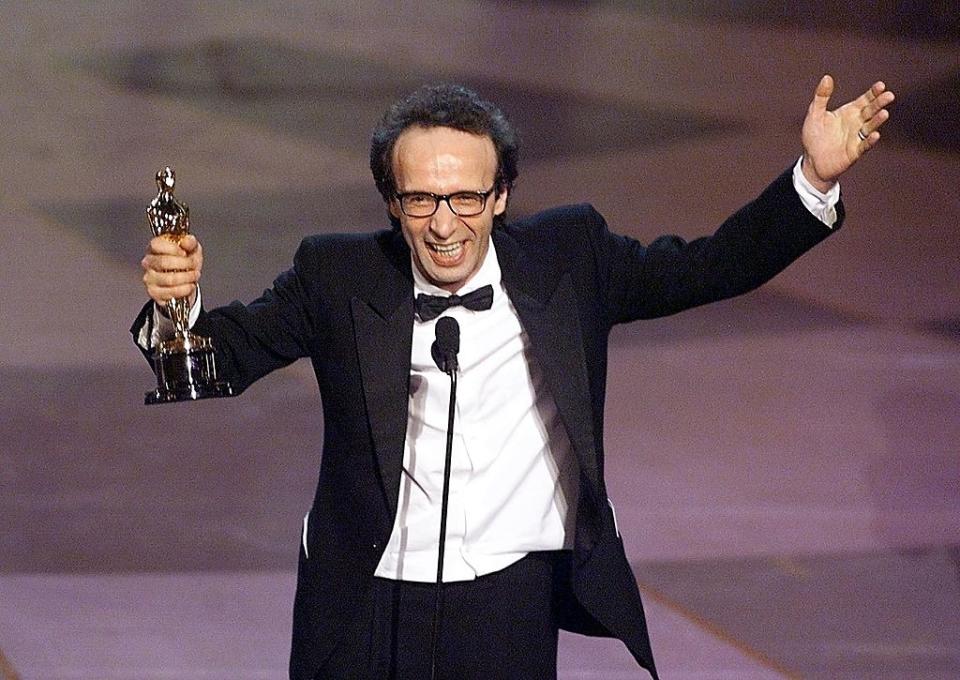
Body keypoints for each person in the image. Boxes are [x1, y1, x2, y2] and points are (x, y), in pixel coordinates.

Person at [134, 75, 894, 680]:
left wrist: (810, 182)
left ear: (501, 196)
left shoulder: (572, 259)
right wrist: (177, 304)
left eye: (466, 197)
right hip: (366, 594)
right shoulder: (336, 274)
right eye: (421, 199)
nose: (444, 223)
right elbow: (215, 359)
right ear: (391, 203)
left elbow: (711, 266)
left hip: (507, 602)